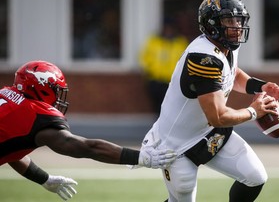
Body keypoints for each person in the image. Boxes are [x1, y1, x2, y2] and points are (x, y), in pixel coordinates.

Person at [139, 0, 279, 202]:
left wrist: (260, 86)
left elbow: (231, 73)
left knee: (255, 177)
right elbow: (217, 116)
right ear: (211, 24)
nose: (236, 26)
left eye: (238, 19)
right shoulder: (202, 58)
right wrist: (254, 111)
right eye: (229, 20)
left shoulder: (225, 44)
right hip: (178, 145)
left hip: (209, 133)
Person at [0, 60, 177, 200]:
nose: (58, 96)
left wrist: (43, 178)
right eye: (56, 90)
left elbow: (13, 149)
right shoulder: (34, 115)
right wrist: (140, 157)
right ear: (41, 88)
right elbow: (85, 147)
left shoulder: (6, 95)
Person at [139, 18, 188, 114]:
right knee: (157, 107)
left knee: (171, 109)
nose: (168, 31)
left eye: (170, 28)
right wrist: (149, 71)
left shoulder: (180, 42)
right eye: (166, 28)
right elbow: (144, 57)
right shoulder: (154, 41)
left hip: (173, 82)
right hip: (155, 80)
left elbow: (185, 60)